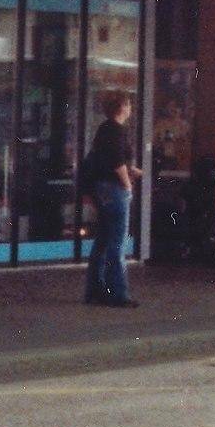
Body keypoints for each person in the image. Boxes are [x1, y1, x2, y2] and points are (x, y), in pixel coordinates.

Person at [81, 94, 139, 308]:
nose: (130, 107)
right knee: (117, 242)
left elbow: (109, 159)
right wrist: (128, 184)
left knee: (103, 240)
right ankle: (118, 293)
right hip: (115, 189)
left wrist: (132, 171)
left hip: (102, 189)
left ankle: (95, 289)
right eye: (128, 104)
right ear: (122, 106)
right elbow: (117, 162)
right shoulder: (117, 130)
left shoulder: (104, 129)